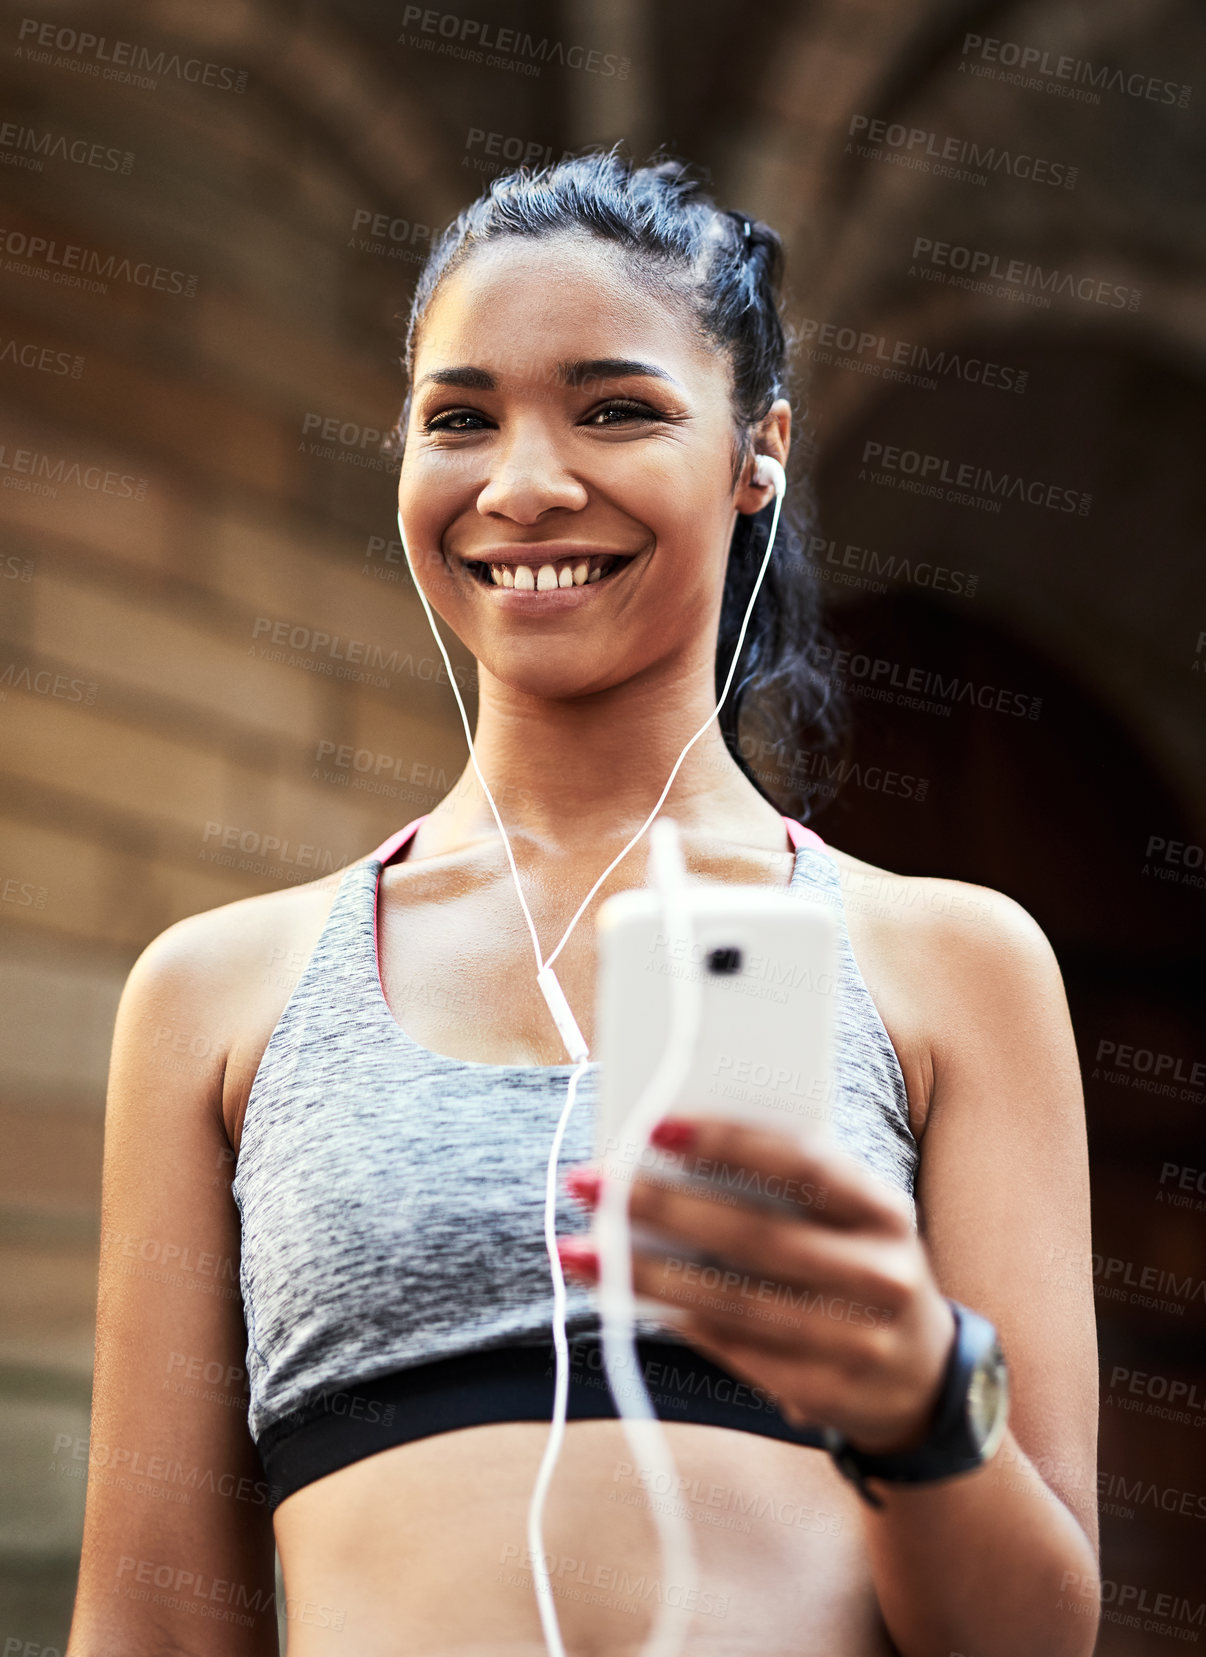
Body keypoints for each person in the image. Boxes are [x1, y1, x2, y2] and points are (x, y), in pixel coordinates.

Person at [68, 149, 1101, 1657]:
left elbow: (1034, 1641)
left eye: (615, 407)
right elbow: (149, 1618)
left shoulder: (951, 963)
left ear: (759, 451)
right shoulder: (215, 995)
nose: (525, 481)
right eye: (460, 417)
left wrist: (914, 1395)